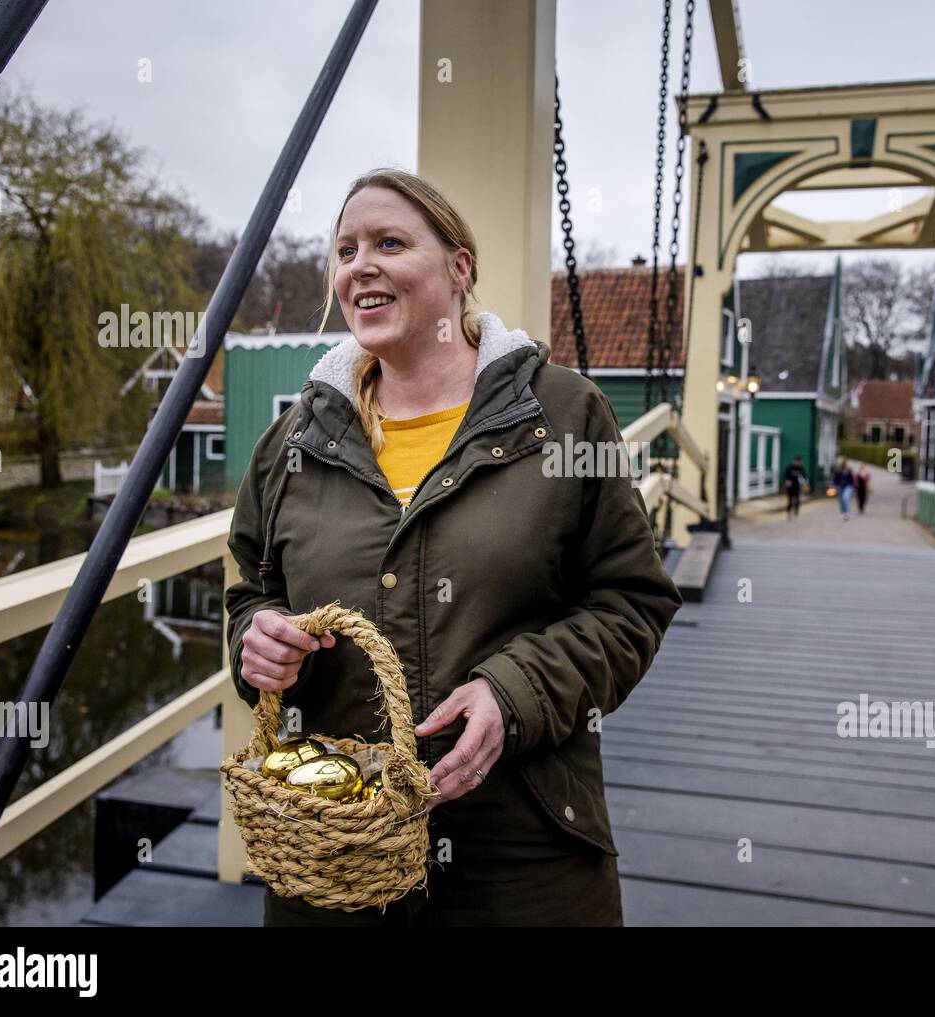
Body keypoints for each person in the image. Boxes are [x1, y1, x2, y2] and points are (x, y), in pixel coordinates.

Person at [225, 168, 683, 927]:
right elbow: (254, 590)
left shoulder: (566, 415)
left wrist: (516, 693)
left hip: (520, 852)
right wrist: (257, 640)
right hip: (333, 858)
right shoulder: (293, 440)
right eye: (345, 250)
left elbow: (632, 603)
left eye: (390, 242)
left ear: (459, 268)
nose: (358, 265)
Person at [783, 454, 808, 518]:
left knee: (797, 500)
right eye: (797, 461)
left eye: (799, 462)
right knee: (790, 500)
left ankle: (796, 512)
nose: (798, 463)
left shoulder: (801, 469)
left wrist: (804, 484)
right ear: (794, 461)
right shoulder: (790, 467)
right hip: (790, 486)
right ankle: (788, 513)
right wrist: (787, 481)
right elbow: (786, 476)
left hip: (797, 486)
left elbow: (804, 478)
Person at [832, 456, 855, 521]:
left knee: (846, 498)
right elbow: (835, 479)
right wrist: (833, 486)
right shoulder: (838, 470)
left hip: (848, 486)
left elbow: (852, 479)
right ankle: (843, 512)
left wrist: (853, 488)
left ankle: (847, 513)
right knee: (841, 500)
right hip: (839, 486)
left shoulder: (848, 469)